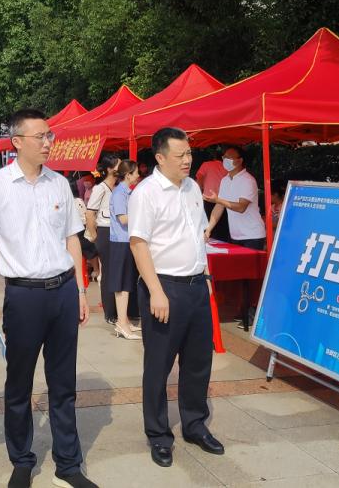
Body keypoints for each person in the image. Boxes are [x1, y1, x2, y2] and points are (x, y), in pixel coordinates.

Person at [0, 109, 98, 488]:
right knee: (19, 382)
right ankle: (22, 460)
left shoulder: (59, 183)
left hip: (62, 291)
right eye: (41, 136)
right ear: (17, 142)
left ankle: (69, 462)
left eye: (50, 136)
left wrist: (79, 290)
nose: (48, 142)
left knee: (63, 382)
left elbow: (73, 239)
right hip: (23, 296)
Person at [129, 127, 224, 467]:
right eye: (180, 155)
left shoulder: (192, 188)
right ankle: (158, 435)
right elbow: (138, 244)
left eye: (189, 154)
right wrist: (155, 291)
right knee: (158, 364)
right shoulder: (146, 193)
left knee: (198, 361)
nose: (187, 160)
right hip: (164, 287)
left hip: (197, 285)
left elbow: (198, 235)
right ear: (160, 157)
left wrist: (206, 277)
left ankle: (195, 425)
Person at [204, 146, 266, 250]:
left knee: (249, 266)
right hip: (235, 235)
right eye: (224, 157)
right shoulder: (225, 180)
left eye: (229, 158)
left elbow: (241, 207)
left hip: (252, 236)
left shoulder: (247, 180)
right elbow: (219, 207)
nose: (225, 160)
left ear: (240, 160)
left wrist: (218, 200)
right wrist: (208, 229)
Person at [108, 159, 141, 340]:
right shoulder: (121, 193)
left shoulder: (126, 192)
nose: (138, 176)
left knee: (126, 283)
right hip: (121, 242)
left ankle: (124, 320)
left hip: (125, 241)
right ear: (128, 175)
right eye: (136, 173)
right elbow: (123, 219)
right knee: (122, 285)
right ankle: (121, 323)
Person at [86, 154, 119, 325]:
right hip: (105, 232)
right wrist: (94, 235)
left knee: (116, 271)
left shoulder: (117, 188)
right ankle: (110, 312)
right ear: (109, 169)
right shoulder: (100, 188)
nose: (120, 168)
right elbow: (90, 212)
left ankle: (118, 309)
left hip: (117, 232)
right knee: (108, 273)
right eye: (117, 166)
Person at [196, 149, 229, 242]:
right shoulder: (227, 167)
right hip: (223, 200)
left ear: (214, 157)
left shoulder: (206, 164)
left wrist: (200, 189)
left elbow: (200, 177)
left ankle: (209, 241)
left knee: (208, 225)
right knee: (222, 226)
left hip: (208, 198)